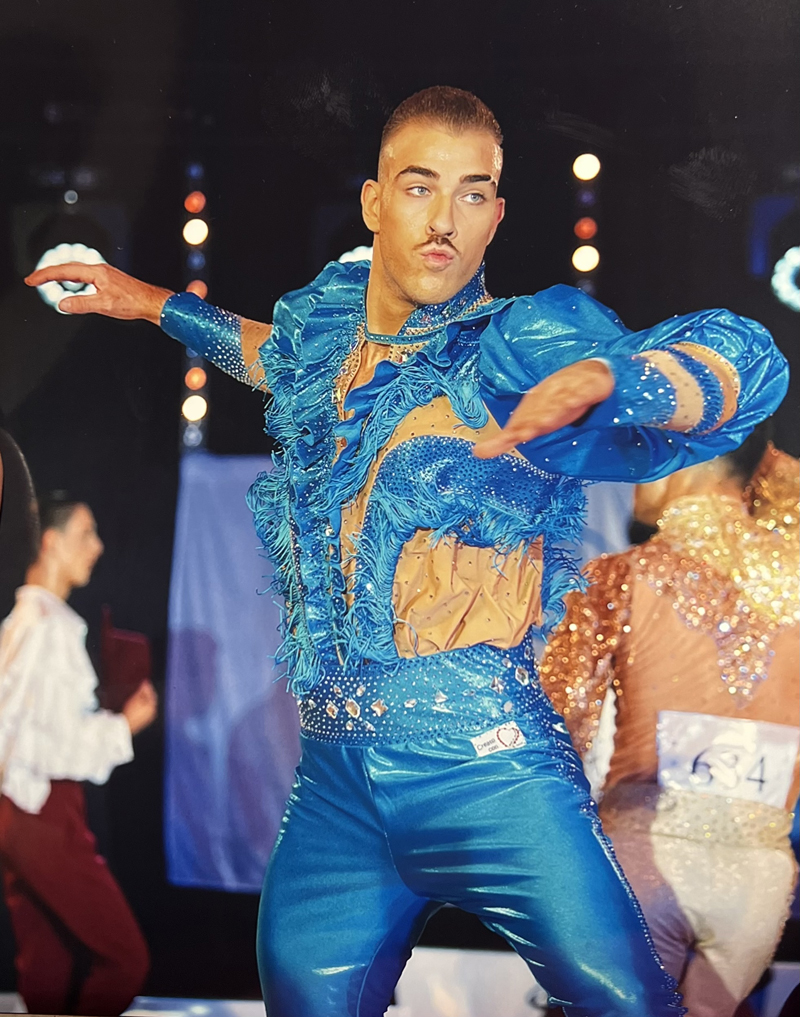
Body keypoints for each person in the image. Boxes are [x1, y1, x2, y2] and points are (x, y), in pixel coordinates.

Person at [26, 86, 789, 1017]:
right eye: (422, 187)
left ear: (498, 213)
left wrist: (617, 376)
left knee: (629, 1007)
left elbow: (740, 365)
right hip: (335, 792)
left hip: (493, 773)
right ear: (374, 201)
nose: (444, 222)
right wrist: (145, 301)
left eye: (474, 194)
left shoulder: (518, 340)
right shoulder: (330, 341)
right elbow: (272, 356)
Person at [540, 431, 799, 1017]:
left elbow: (560, 729)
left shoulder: (622, 576)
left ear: (684, 464)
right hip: (758, 881)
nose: (634, 477)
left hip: (644, 859)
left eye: (645, 456)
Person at [0, 493, 157, 1015]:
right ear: (51, 542)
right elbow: (54, 746)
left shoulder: (20, 623)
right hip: (41, 812)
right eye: (86, 533)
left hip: (17, 811)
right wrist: (126, 724)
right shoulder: (50, 627)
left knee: (47, 970)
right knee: (124, 959)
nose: (98, 546)